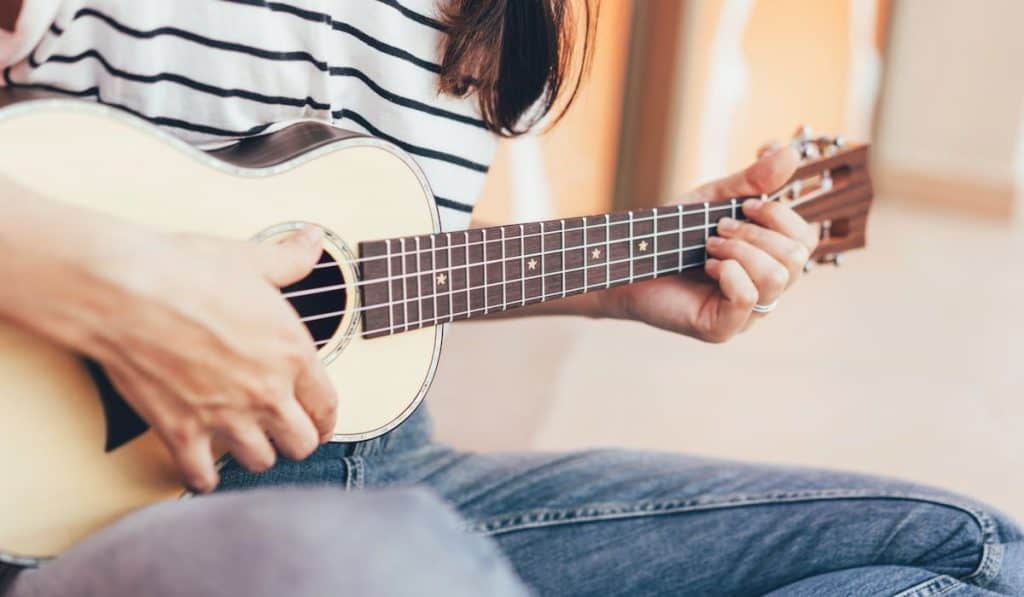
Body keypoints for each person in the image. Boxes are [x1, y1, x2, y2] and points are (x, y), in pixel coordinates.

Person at [0, 2, 1020, 596]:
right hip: (97, 502)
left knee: (966, 556)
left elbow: (343, 277)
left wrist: (612, 283)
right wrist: (122, 285)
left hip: (383, 470)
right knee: (389, 564)